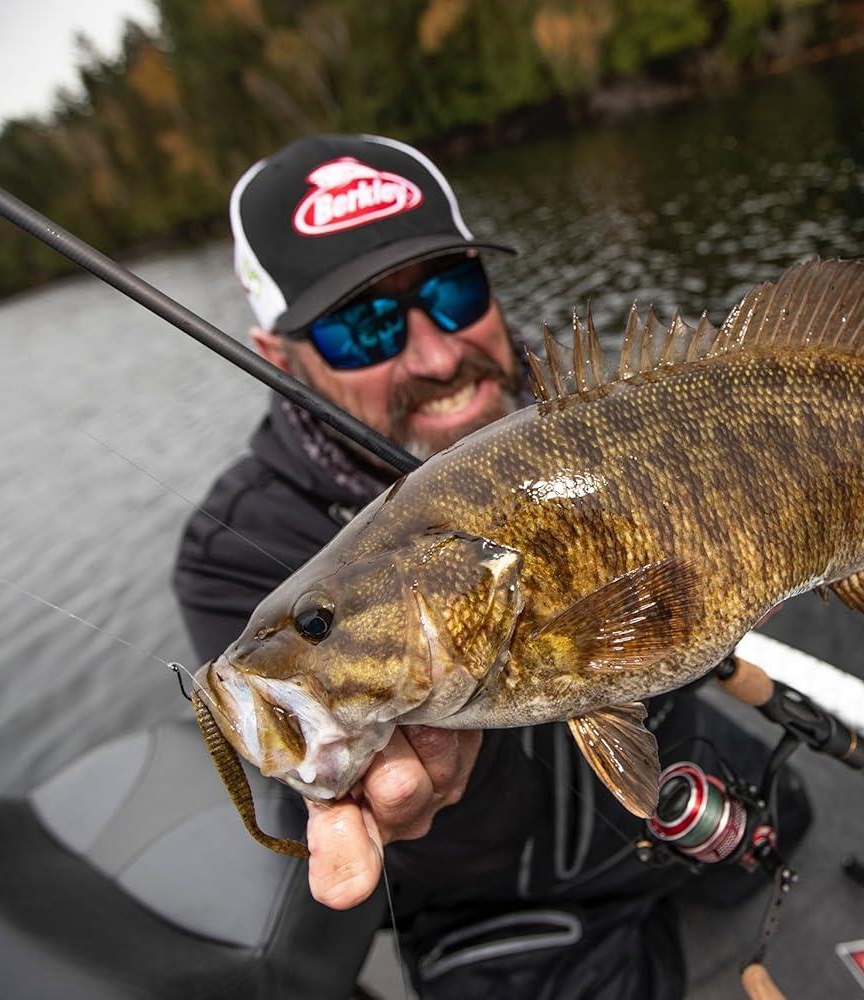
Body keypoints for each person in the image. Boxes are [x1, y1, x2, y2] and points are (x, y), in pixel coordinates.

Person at [174, 134, 807, 999]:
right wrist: (364, 780)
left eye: (453, 290)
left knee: (794, 819)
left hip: (664, 772)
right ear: (279, 357)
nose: (438, 356)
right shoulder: (234, 547)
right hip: (506, 904)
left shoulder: (585, 409)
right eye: (363, 327)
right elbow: (328, 766)